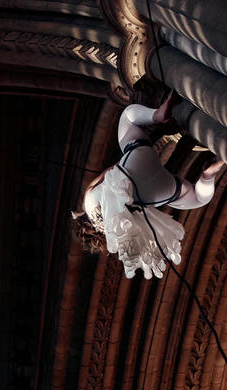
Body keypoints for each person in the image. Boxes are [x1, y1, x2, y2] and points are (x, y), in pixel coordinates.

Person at [73, 96, 224, 278]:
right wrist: (140, 148)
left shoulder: (111, 233)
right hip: (134, 165)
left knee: (198, 198)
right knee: (127, 118)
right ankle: (157, 116)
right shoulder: (88, 198)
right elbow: (110, 170)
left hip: (154, 193)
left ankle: (208, 174)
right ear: (81, 217)